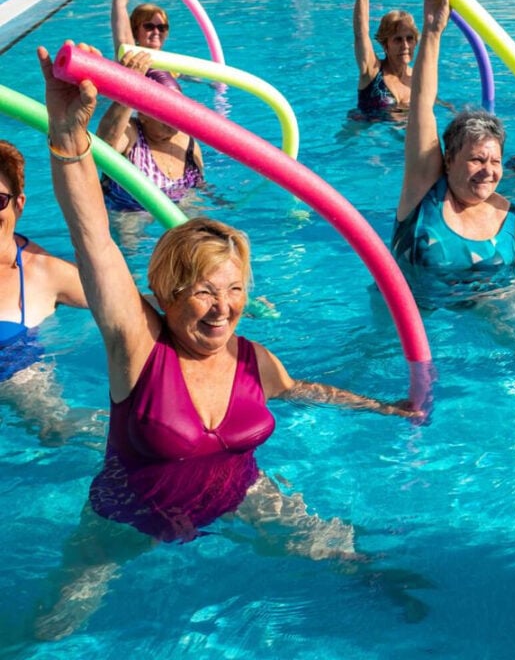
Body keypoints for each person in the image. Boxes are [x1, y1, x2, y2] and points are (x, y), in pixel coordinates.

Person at [33, 42, 423, 639]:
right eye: (203, 292)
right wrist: (67, 132)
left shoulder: (251, 358)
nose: (223, 310)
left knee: (353, 563)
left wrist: (386, 407)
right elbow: (93, 239)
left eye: (234, 290)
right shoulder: (138, 346)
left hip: (241, 494)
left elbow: (298, 389)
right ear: (166, 293)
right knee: (54, 631)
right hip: (126, 520)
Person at [394, 0, 515, 307]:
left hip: (489, 319)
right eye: (477, 159)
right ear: (448, 160)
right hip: (413, 326)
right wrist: (432, 31)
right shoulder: (424, 193)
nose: (488, 171)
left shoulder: (512, 218)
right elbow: (421, 104)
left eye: (495, 161)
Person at [0, 139, 88, 441]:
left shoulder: (46, 273)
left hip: (27, 399)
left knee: (63, 431)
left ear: (18, 204)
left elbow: (124, 302)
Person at [96, 50, 205, 212]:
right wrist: (130, 87)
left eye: (177, 107)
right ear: (142, 113)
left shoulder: (188, 142)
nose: (173, 116)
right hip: (129, 211)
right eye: (164, 108)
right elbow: (103, 148)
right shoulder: (131, 132)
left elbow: (200, 186)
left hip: (180, 207)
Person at [352, 0, 418, 118]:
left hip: (401, 138)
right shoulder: (372, 71)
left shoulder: (417, 76)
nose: (405, 45)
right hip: (365, 137)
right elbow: (361, 33)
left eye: (409, 38)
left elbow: (432, 102)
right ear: (384, 44)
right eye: (397, 39)